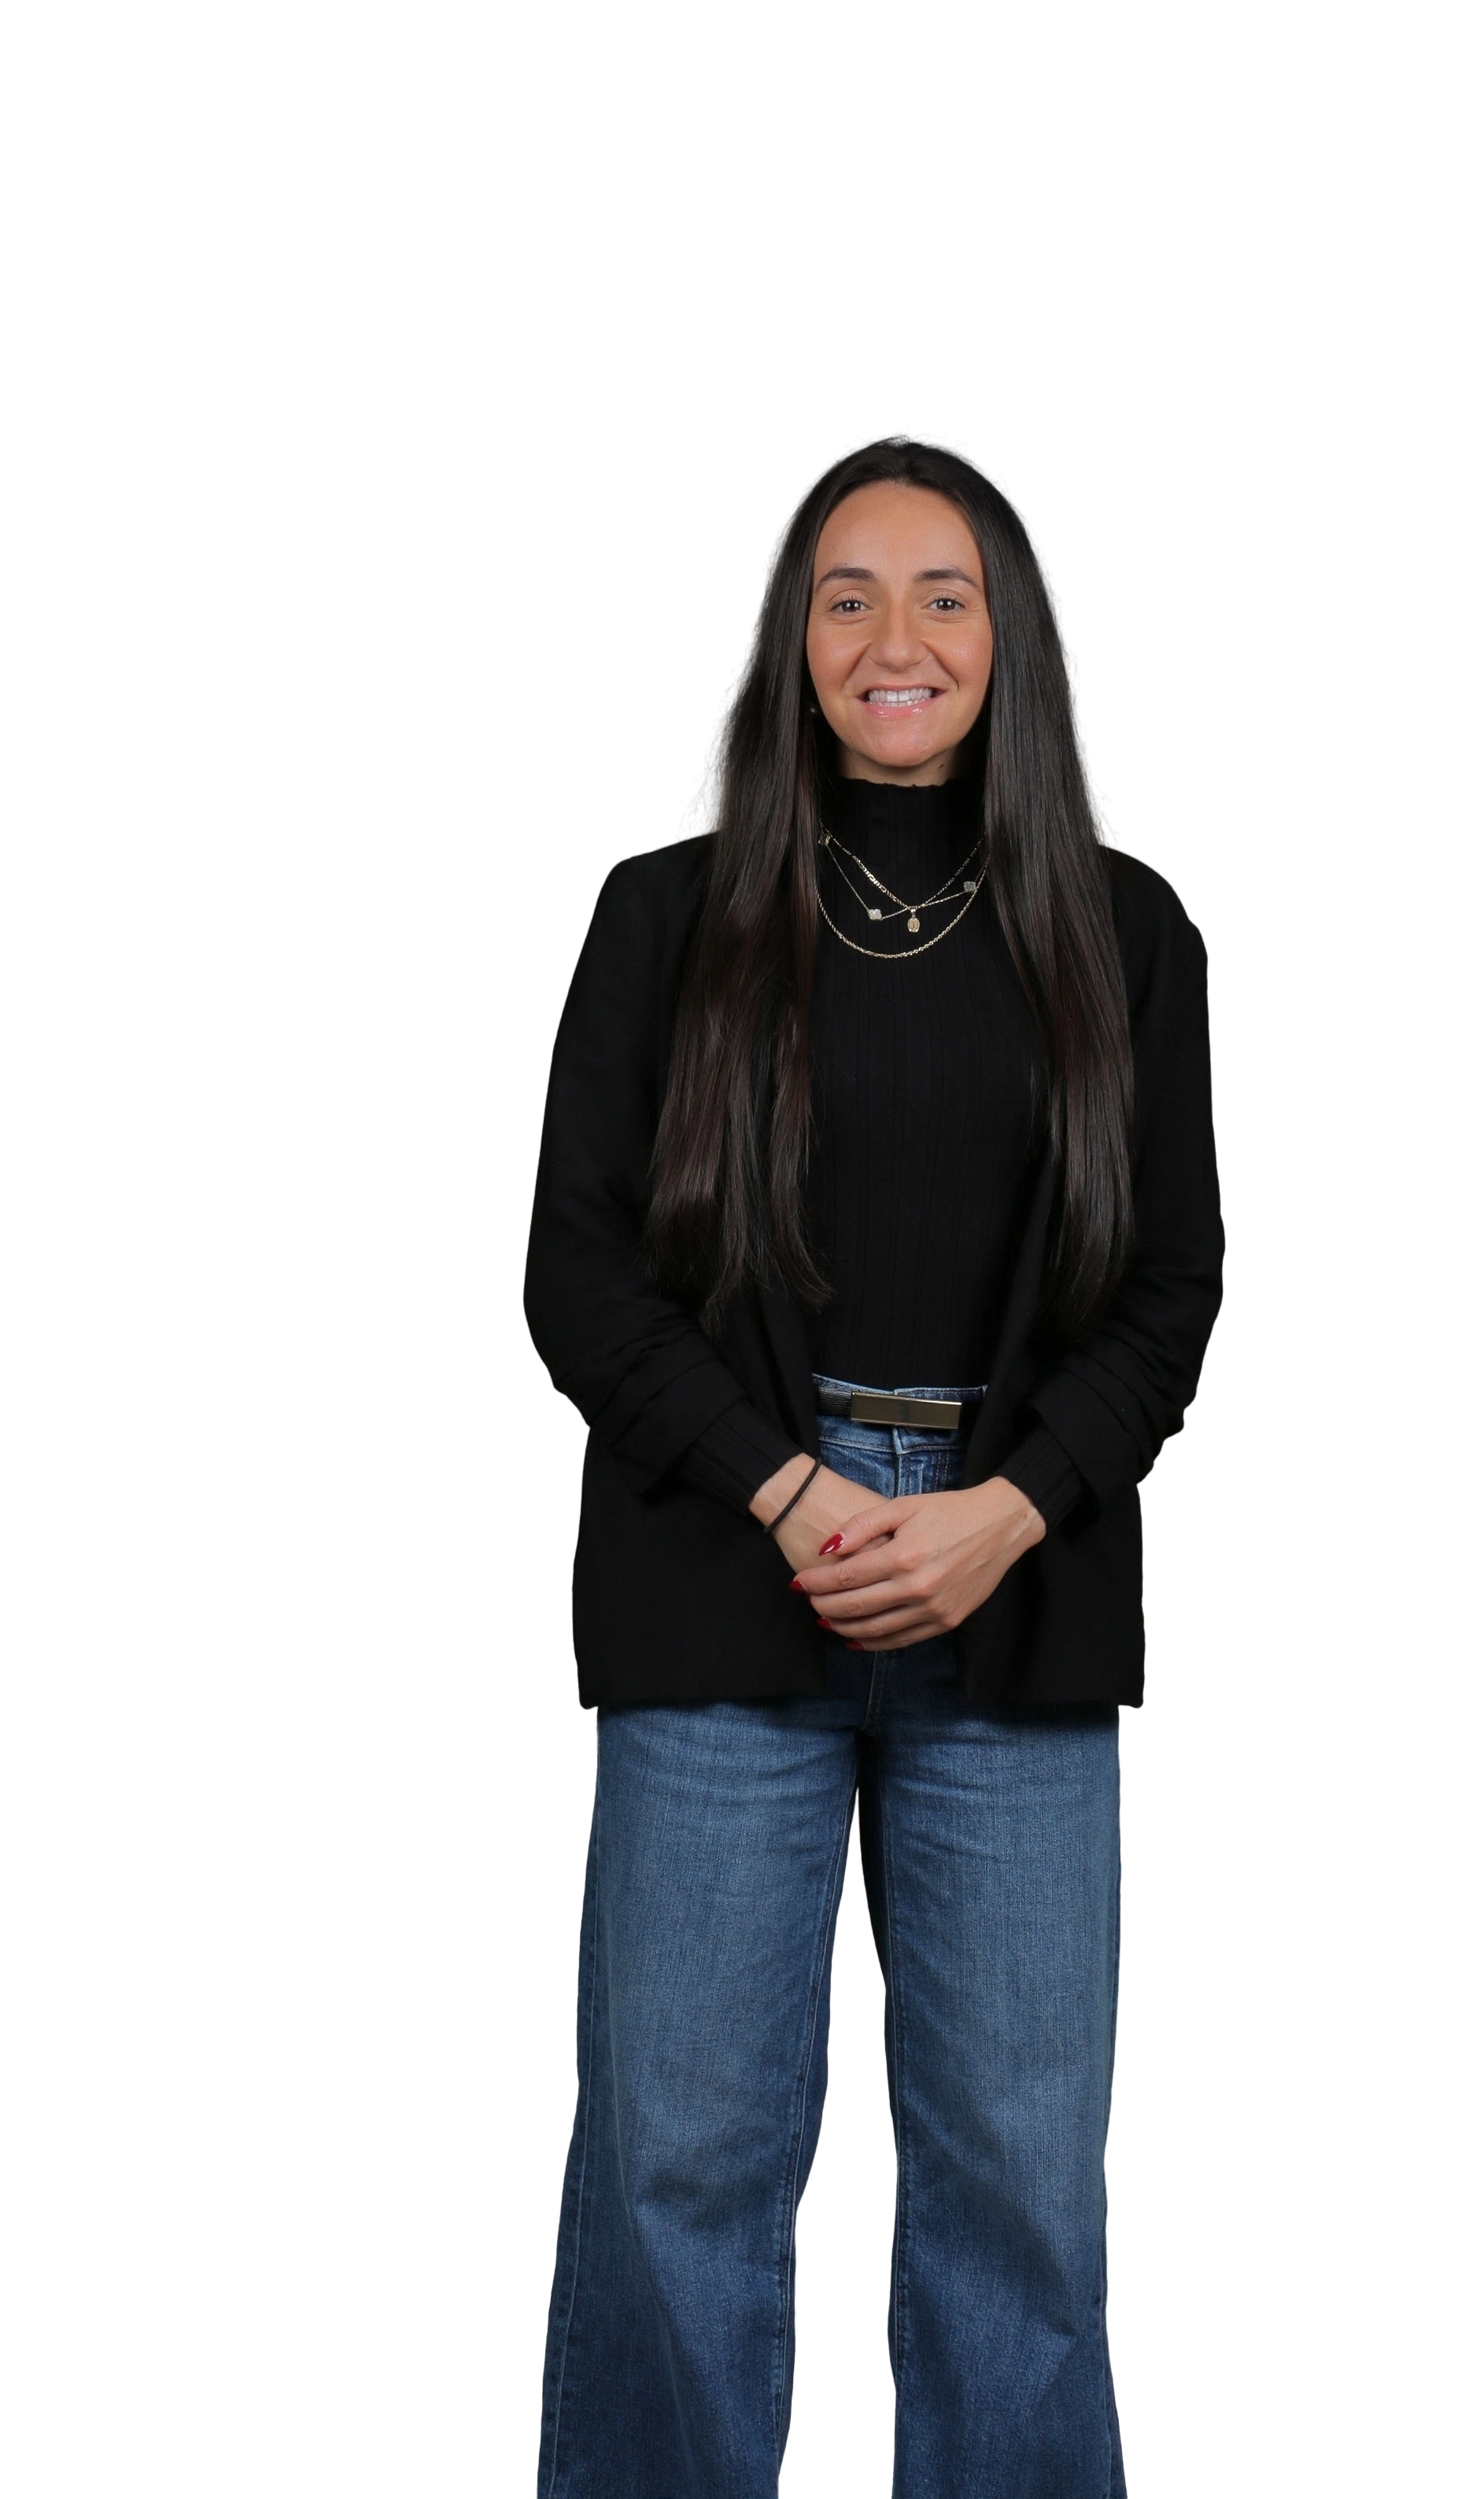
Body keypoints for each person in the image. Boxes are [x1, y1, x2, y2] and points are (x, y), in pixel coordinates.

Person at [519, 424, 1224, 2497]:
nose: (890, 638)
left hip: (1019, 1581)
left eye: (941, 595)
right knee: (679, 2165)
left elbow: (1171, 1293)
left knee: (1018, 2183)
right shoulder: (663, 915)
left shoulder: (1128, 929)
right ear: (788, 637)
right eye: (845, 596)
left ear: (1014, 637)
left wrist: (1008, 1510)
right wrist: (785, 1485)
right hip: (721, 1562)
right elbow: (576, 1277)